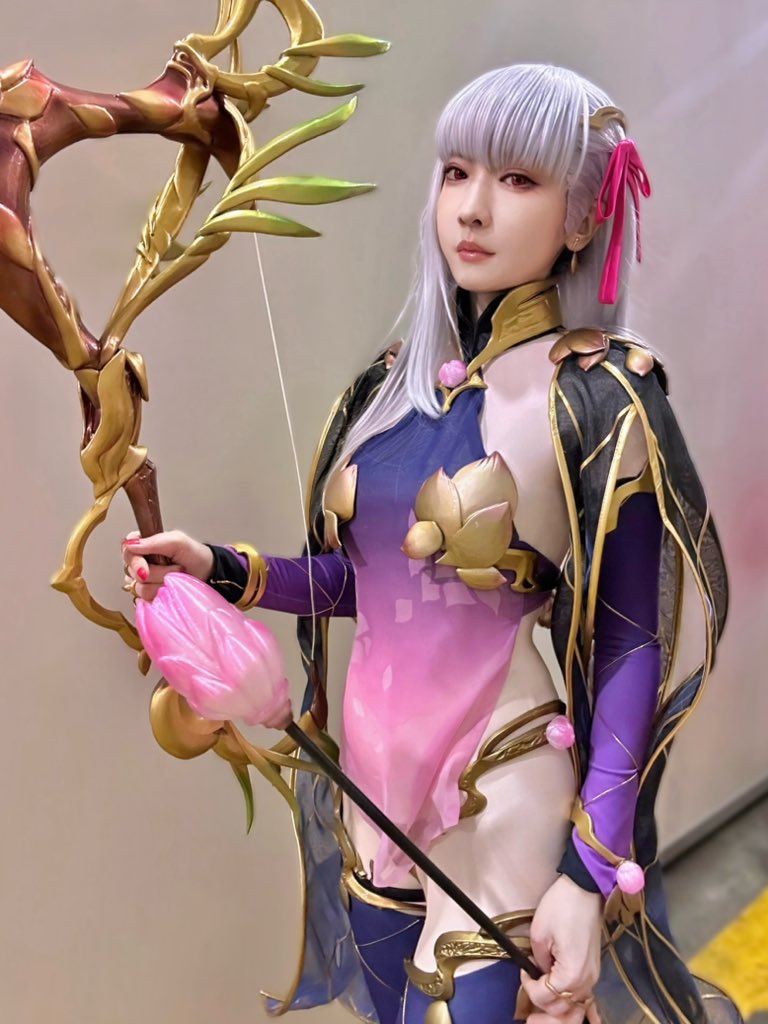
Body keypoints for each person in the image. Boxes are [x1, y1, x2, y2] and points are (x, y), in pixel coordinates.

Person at [121, 64, 737, 1024]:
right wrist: (223, 570)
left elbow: (630, 641)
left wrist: (591, 869)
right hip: (370, 787)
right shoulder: (388, 390)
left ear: (583, 217)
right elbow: (366, 585)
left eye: (518, 179)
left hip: (504, 783)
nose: (473, 208)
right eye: (457, 173)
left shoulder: (601, 394)